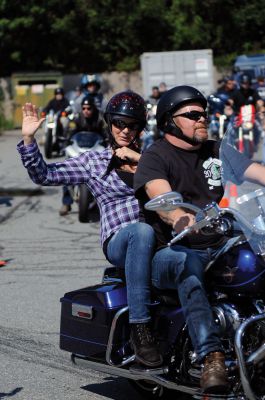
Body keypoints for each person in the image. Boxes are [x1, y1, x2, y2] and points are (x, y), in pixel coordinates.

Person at [17, 91, 163, 368]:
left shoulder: (152, 157)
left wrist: (139, 159)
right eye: (119, 122)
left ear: (141, 128)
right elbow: (44, 175)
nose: (125, 129)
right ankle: (140, 330)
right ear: (109, 123)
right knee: (140, 232)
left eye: (132, 124)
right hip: (121, 238)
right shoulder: (93, 162)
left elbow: (182, 181)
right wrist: (28, 139)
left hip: (160, 239)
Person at [134, 85, 265, 393]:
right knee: (187, 263)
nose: (202, 119)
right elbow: (161, 197)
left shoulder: (216, 150)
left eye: (204, 113)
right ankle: (211, 357)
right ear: (169, 121)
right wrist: (181, 216)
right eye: (192, 115)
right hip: (172, 249)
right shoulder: (155, 156)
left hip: (219, 241)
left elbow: (257, 172)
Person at [59, 96, 106, 216]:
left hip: (96, 149)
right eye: (84, 108)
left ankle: (107, 202)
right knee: (67, 171)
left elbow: (107, 133)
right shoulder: (77, 118)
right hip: (79, 150)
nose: (86, 111)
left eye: (88, 108)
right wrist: (66, 141)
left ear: (93, 108)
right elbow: (69, 132)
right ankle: (66, 203)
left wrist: (109, 141)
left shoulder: (101, 118)